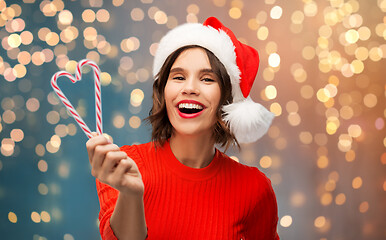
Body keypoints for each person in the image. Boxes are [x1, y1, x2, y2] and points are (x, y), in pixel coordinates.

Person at [86, 17, 279, 240]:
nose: (189, 88)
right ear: (163, 91)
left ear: (227, 99)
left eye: (207, 79)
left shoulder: (254, 188)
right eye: (178, 77)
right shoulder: (122, 165)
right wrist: (131, 193)